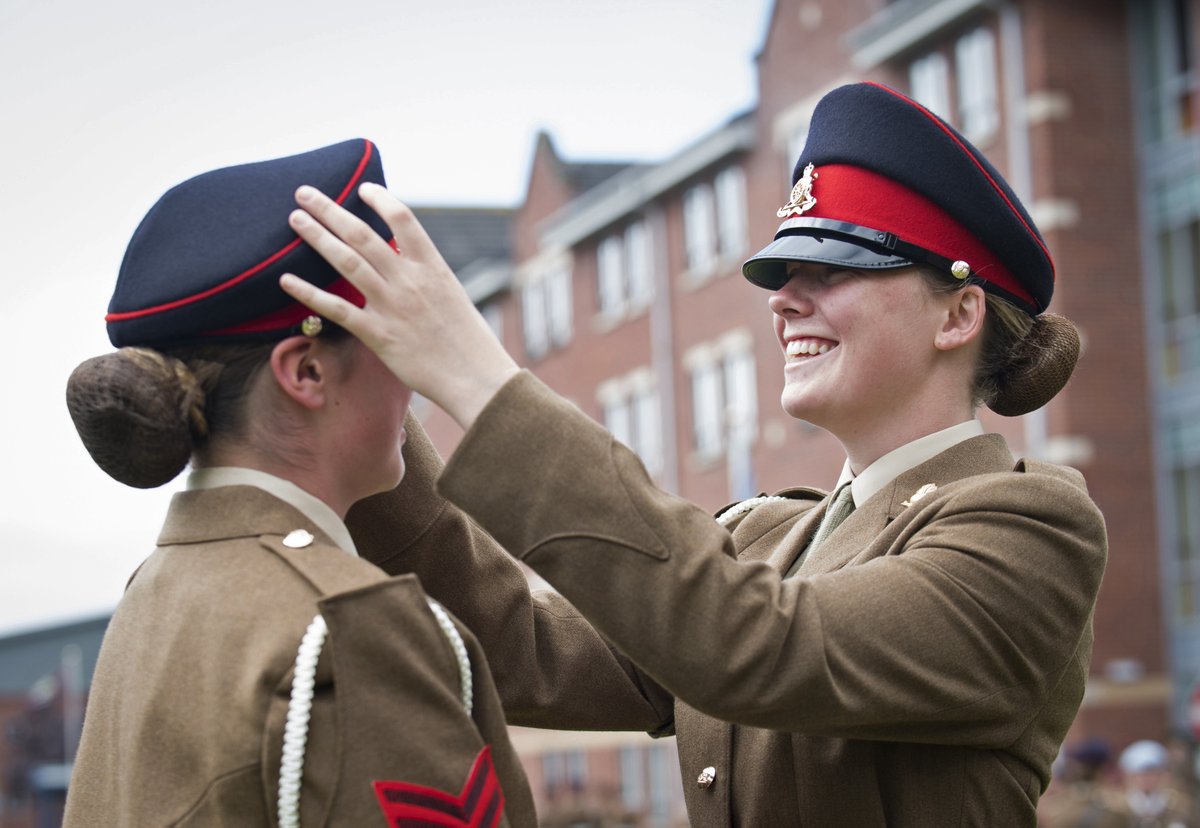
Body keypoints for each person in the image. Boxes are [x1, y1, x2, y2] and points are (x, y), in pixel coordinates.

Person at [282, 82, 1108, 826]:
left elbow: (753, 648)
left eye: (832, 269)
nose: (784, 300)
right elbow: (515, 647)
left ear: (957, 316)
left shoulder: (1030, 526)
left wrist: (480, 380)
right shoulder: (766, 537)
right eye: (784, 271)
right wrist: (375, 412)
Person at [61, 140, 535, 826]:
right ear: (306, 372)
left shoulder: (158, 586)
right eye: (393, 338)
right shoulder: (347, 630)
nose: (413, 374)